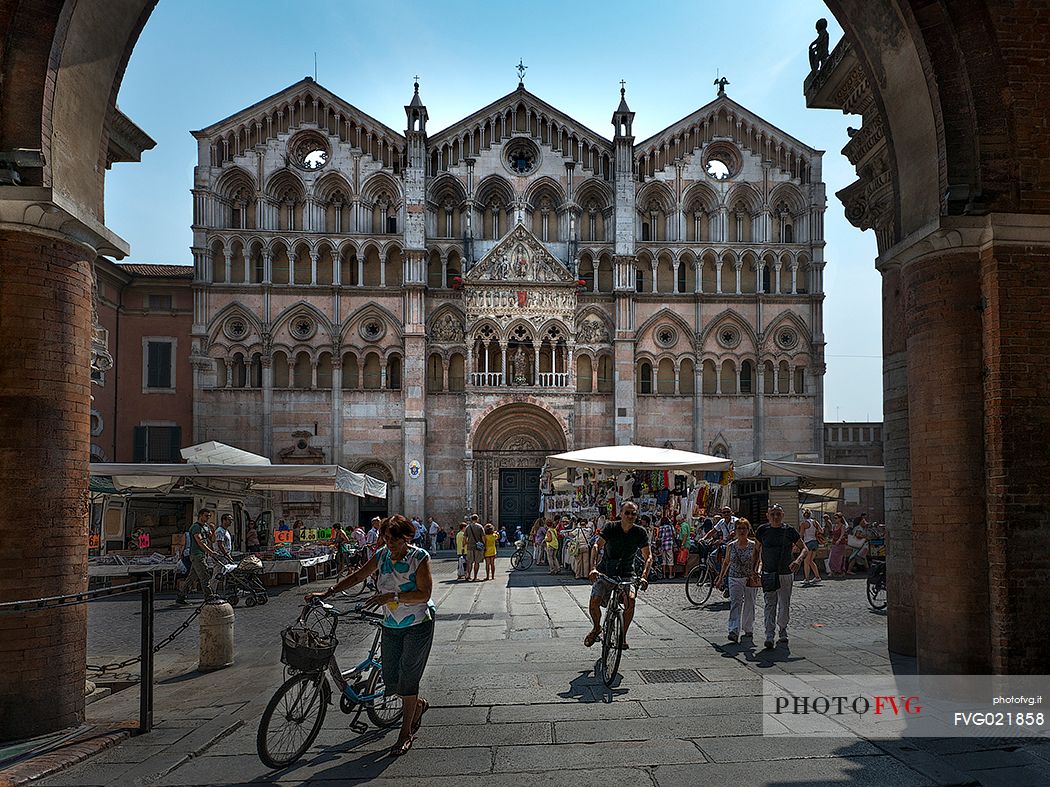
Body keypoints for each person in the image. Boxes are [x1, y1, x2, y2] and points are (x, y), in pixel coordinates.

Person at [308, 515, 435, 757]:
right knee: (390, 679)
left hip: (418, 623)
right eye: (386, 538)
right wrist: (329, 591)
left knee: (408, 676)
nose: (390, 543)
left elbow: (424, 594)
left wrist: (391, 597)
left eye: (394, 539)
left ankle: (405, 733)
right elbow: (358, 576)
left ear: (406, 537)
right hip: (391, 624)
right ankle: (416, 704)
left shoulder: (419, 557)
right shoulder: (383, 555)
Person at [585, 501, 652, 650]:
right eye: (627, 513)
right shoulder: (610, 527)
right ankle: (596, 628)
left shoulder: (640, 532)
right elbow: (597, 546)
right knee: (595, 601)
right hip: (606, 571)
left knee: (631, 601)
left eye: (633, 513)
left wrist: (644, 576)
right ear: (620, 514)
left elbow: (648, 556)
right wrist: (593, 568)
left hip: (627, 573)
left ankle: (623, 636)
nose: (630, 516)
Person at [755, 504, 806, 650]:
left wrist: (798, 560)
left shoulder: (789, 530)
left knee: (784, 603)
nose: (775, 517)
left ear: (782, 515)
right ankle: (769, 634)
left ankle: (782, 629)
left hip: (785, 572)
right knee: (769, 604)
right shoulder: (762, 530)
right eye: (773, 514)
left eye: (778, 514)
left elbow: (804, 548)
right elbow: (756, 550)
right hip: (768, 572)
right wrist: (754, 569)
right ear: (768, 515)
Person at [716, 517, 760, 642]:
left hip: (750, 578)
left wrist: (756, 572)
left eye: (744, 528)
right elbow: (726, 562)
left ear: (748, 530)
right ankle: (733, 630)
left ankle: (748, 628)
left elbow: (759, 561)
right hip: (734, 577)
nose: (741, 531)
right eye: (739, 528)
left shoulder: (753, 546)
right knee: (735, 603)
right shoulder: (731, 546)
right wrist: (720, 578)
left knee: (750, 603)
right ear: (735, 530)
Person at [177, 509, 221, 604]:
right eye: (206, 516)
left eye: (209, 516)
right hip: (197, 555)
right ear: (200, 515)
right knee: (204, 575)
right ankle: (209, 596)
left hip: (202, 555)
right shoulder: (196, 527)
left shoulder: (206, 526)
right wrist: (211, 552)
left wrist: (213, 531)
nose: (207, 518)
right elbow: (200, 542)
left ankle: (181, 596)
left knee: (192, 577)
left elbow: (212, 540)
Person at [209, 513, 236, 595]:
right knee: (217, 574)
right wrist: (226, 555)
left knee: (224, 574)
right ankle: (211, 592)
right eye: (229, 520)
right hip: (220, 556)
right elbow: (220, 544)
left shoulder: (226, 531)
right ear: (224, 520)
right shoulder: (220, 531)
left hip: (224, 556)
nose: (231, 522)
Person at [798, 509, 823, 586]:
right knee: (811, 561)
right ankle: (817, 577)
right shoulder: (815, 522)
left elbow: (801, 535)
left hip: (808, 543)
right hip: (815, 542)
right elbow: (821, 531)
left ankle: (807, 579)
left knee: (806, 561)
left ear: (803, 516)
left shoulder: (804, 524)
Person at [465, 516, 486, 581]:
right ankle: (475, 577)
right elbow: (483, 537)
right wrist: (484, 544)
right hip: (478, 547)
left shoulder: (467, 527)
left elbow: (465, 538)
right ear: (477, 519)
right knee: (477, 562)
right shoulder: (480, 527)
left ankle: (468, 576)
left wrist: (467, 543)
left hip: (470, 547)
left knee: (469, 562)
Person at [827, 513, 847, 577]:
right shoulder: (834, 526)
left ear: (840, 519)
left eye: (836, 518)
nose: (835, 519)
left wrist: (839, 540)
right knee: (832, 558)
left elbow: (842, 534)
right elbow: (833, 534)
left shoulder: (842, 526)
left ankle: (841, 571)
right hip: (834, 543)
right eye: (834, 518)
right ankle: (833, 571)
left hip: (841, 544)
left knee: (840, 558)